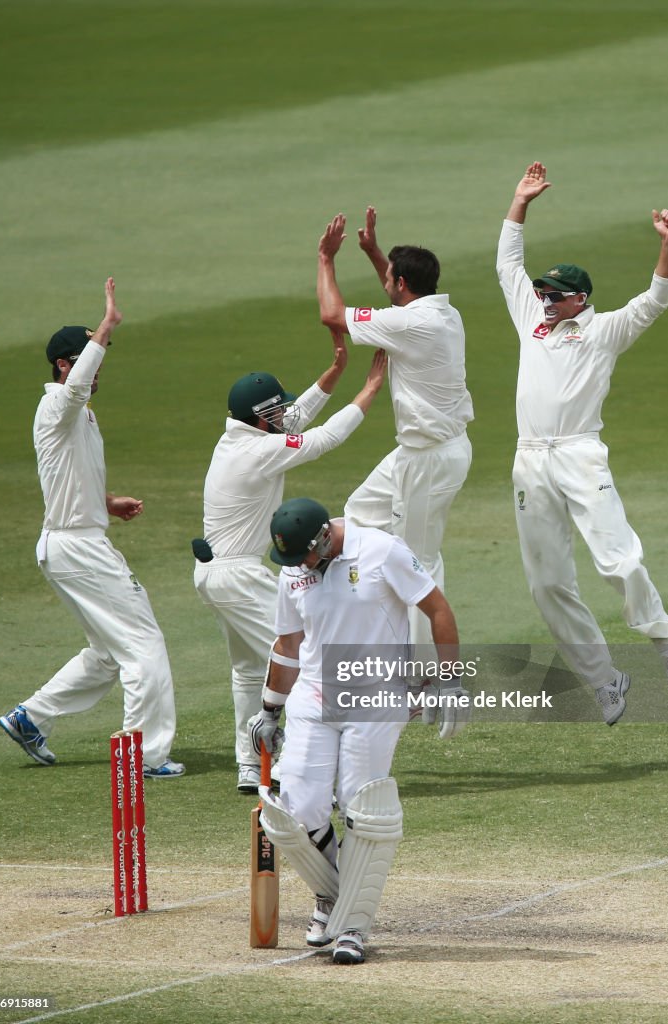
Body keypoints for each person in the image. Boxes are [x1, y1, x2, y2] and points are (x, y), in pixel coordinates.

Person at [496, 161, 668, 725]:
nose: (544, 299)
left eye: (556, 295)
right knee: (547, 584)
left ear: (581, 299)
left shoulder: (604, 330)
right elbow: (507, 266)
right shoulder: (531, 322)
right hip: (529, 461)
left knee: (619, 559)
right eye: (542, 291)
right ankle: (605, 680)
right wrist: (520, 203)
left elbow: (656, 300)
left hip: (580, 453)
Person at [247, 496, 468, 965]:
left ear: (324, 536)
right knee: (296, 810)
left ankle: (351, 926)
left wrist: (449, 681)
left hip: (377, 696)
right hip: (314, 695)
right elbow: (288, 642)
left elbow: (438, 609)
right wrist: (270, 710)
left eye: (304, 555)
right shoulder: (294, 568)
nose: (300, 566)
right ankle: (332, 898)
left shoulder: (381, 551)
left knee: (359, 807)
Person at [0, 278, 184, 778]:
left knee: (106, 653)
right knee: (144, 645)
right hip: (78, 547)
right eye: (86, 357)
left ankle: (29, 717)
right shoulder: (58, 403)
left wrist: (106, 502)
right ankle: (144, 755)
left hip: (74, 538)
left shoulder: (76, 414)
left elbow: (63, 476)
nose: (97, 367)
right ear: (64, 363)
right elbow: (78, 384)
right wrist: (106, 325)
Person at [193, 336, 387, 793]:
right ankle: (289, 766)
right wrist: (371, 387)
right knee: (298, 661)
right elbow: (323, 439)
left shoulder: (243, 435)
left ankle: (250, 762)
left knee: (247, 670)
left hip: (213, 574)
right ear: (262, 417)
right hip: (238, 574)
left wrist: (335, 372)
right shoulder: (257, 451)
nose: (285, 414)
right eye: (277, 409)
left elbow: (295, 418)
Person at [316, 209, 474, 647]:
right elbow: (398, 298)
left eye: (389, 277)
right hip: (420, 451)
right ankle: (362, 612)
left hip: (430, 458)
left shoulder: (410, 323)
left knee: (417, 560)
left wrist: (327, 259)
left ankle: (426, 675)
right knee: (358, 515)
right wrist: (371, 252)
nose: (386, 281)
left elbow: (332, 315)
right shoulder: (443, 313)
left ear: (401, 285)